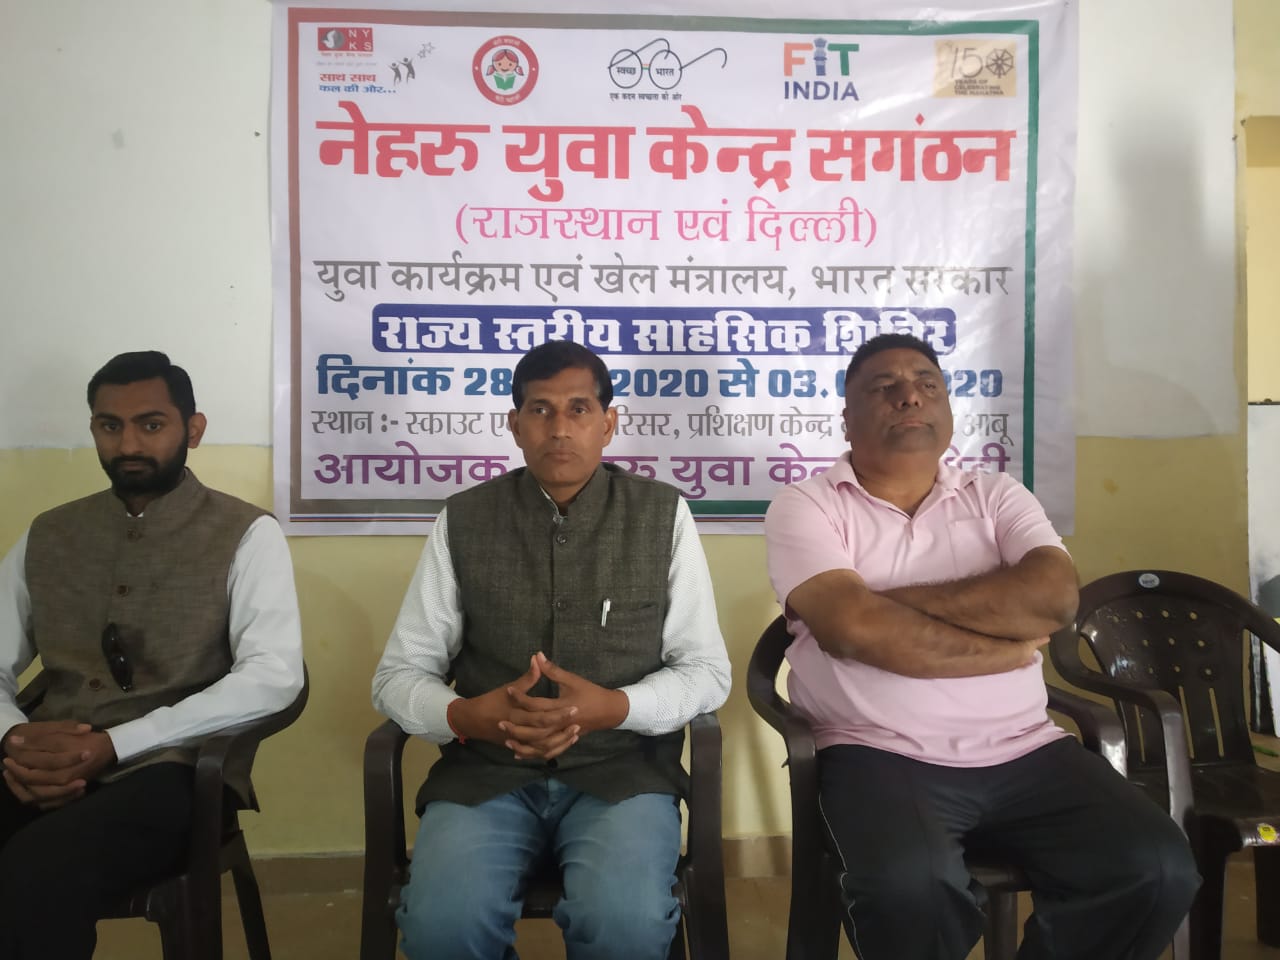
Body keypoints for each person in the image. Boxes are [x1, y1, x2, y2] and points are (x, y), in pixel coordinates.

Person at [763, 333, 1199, 960]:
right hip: (877, 751)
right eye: (885, 387)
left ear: (947, 408)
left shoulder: (997, 494)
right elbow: (852, 628)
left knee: (1156, 867)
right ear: (846, 418)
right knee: (910, 890)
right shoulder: (806, 504)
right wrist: (1000, 648)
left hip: (1026, 747)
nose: (910, 396)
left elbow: (1054, 599)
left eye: (927, 384)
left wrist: (886, 600)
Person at [373, 339, 731, 960]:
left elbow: (706, 671)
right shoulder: (463, 518)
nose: (559, 428)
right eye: (540, 410)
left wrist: (615, 708)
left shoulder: (662, 515)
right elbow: (399, 674)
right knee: (442, 929)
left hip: (621, 775)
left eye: (579, 409)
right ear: (515, 425)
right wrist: (465, 716)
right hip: (486, 775)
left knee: (625, 925)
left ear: (608, 423)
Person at [0, 351, 305, 959]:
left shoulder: (247, 533)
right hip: (45, 760)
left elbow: (274, 676)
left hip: (175, 771)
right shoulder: (50, 533)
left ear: (193, 429)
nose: (129, 444)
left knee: (38, 869)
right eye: (109, 425)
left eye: (151, 424)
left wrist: (115, 744)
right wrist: (14, 738)